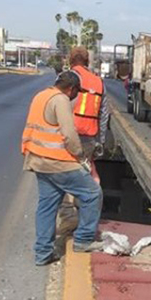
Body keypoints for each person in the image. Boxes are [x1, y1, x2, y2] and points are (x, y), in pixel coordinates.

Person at [22, 71, 104, 265]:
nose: (77, 95)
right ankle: (83, 240)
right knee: (92, 193)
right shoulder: (61, 101)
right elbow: (69, 134)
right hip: (58, 162)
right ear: (71, 88)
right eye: (77, 91)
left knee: (47, 206)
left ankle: (42, 254)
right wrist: (81, 156)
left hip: (38, 160)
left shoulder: (41, 95)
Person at [67, 46, 110, 161]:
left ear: (70, 60)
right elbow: (104, 114)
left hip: (68, 135)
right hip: (89, 139)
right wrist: (101, 141)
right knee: (84, 172)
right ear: (87, 61)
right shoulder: (98, 82)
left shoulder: (66, 78)